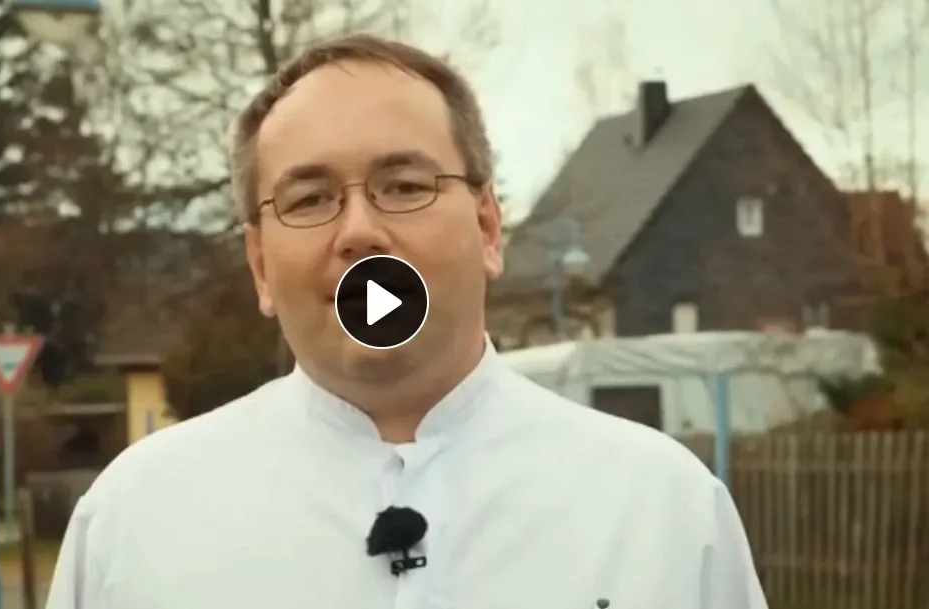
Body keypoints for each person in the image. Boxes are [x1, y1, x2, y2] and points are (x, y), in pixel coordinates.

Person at [44, 34, 768, 609]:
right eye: (309, 198)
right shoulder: (134, 522)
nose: (359, 230)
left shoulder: (662, 509)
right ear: (261, 264)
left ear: (487, 227)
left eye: (404, 186)